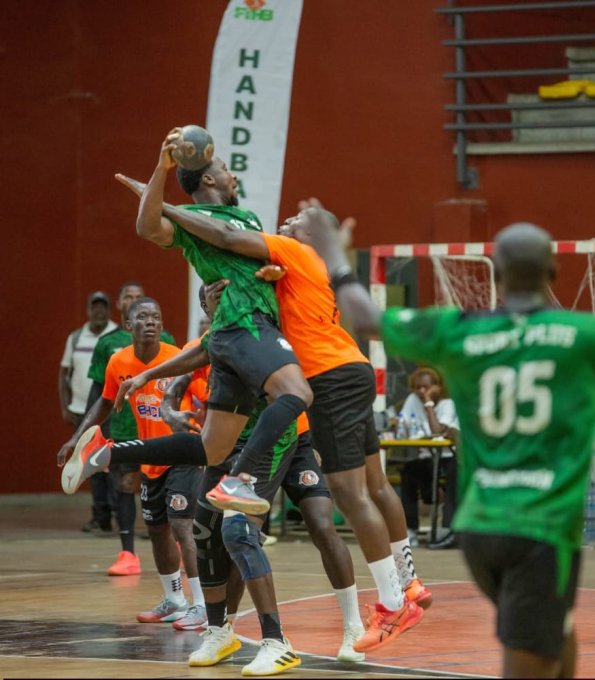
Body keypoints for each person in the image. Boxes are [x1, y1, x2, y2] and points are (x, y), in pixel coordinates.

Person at [300, 211, 595, 678]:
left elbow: (363, 316)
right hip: (541, 528)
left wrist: (335, 254)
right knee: (528, 655)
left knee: (555, 629)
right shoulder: (586, 336)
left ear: (496, 273)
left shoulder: (462, 330)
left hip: (477, 530)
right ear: (553, 272)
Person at [100, 188, 430, 653]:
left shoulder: (293, 252)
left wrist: (168, 206)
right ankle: (407, 583)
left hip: (324, 384)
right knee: (370, 487)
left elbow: (228, 237)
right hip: (348, 369)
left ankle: (390, 605)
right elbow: (213, 336)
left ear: (312, 236)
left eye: (297, 219)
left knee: (344, 498)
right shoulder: (287, 273)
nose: (287, 221)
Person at [63, 128, 314, 516]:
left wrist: (272, 271)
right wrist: (160, 174)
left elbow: (243, 248)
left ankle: (106, 452)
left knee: (212, 447)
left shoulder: (245, 217)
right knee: (297, 393)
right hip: (245, 325)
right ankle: (240, 479)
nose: (234, 176)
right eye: (228, 169)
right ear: (209, 178)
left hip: (230, 340)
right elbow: (147, 228)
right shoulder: (192, 220)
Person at [161, 283, 365, 671]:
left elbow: (308, 387)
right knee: (222, 532)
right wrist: (171, 412)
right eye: (212, 293)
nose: (221, 297)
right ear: (203, 303)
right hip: (242, 451)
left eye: (227, 290)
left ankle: (353, 626)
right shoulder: (211, 341)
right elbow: (175, 385)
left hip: (293, 440)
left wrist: (321, 439)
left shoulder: (268, 332)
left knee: (320, 525)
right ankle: (222, 631)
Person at [58, 298, 206, 627]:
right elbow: (104, 403)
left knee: (183, 525)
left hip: (182, 454)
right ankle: (175, 600)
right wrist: (76, 437)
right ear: (129, 325)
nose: (151, 322)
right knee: (157, 530)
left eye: (156, 316)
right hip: (149, 458)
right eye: (143, 317)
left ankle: (203, 605)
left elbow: (204, 395)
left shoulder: (178, 357)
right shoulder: (118, 362)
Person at [83, 281, 175, 575]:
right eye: (129, 298)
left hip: (163, 430)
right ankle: (127, 553)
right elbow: (101, 392)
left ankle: (177, 546)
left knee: (171, 490)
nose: (149, 321)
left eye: (140, 297)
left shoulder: (168, 342)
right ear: (122, 307)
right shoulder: (108, 344)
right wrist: (86, 430)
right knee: (125, 485)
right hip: (124, 427)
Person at [59, 290, 117, 533]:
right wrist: (65, 406)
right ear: (88, 310)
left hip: (110, 411)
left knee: (114, 463)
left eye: (103, 307)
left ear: (109, 310)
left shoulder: (117, 336)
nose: (99, 311)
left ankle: (118, 514)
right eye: (95, 307)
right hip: (82, 412)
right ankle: (100, 515)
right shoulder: (75, 338)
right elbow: (64, 374)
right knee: (89, 465)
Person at [396, 367, 460, 549]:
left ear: (437, 387)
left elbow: (437, 431)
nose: (420, 391)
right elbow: (403, 427)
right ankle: (410, 530)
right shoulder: (412, 400)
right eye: (417, 388)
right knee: (408, 472)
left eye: (425, 387)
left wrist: (429, 403)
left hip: (447, 457)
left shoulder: (447, 403)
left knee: (453, 474)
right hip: (426, 456)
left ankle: (446, 528)